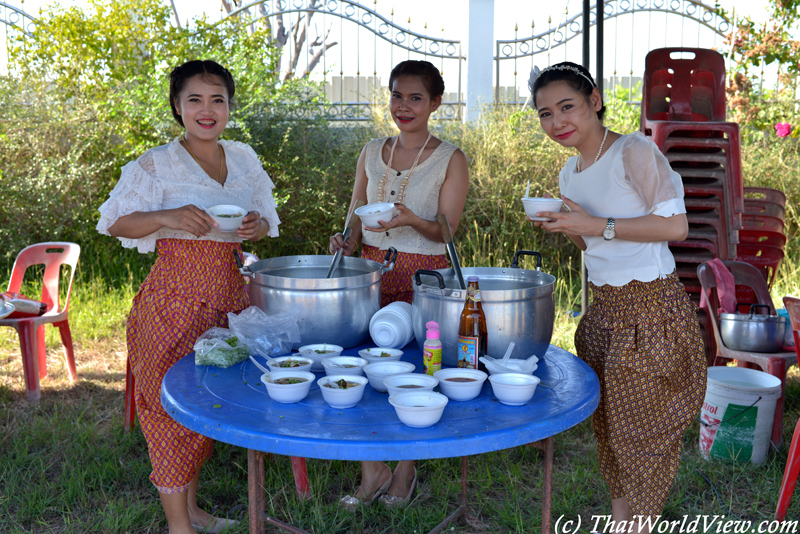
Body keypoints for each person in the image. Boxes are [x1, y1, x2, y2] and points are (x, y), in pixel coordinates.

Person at [96, 60, 280, 534]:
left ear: (229, 107)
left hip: (229, 300)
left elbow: (263, 221)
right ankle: (180, 526)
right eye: (194, 99)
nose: (206, 109)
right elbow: (115, 222)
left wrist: (255, 226)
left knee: (207, 403)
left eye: (217, 99)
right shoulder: (157, 163)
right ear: (177, 107)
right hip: (172, 302)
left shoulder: (242, 158)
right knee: (166, 409)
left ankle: (193, 509)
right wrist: (168, 215)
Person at [528, 62, 706, 532]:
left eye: (567, 107)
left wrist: (595, 223)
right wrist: (567, 226)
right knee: (610, 433)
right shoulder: (570, 173)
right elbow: (593, 246)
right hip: (605, 313)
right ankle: (624, 521)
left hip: (652, 311)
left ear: (596, 100)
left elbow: (676, 227)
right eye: (545, 113)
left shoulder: (634, 152)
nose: (557, 122)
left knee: (641, 437)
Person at [329, 59, 469, 509]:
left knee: (414, 370)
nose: (403, 106)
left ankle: (405, 471)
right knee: (364, 366)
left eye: (415, 98)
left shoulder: (451, 158)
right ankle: (373, 472)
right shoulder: (372, 151)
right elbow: (355, 211)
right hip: (371, 273)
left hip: (424, 279)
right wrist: (346, 240)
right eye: (396, 95)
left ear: (434, 103)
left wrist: (413, 219)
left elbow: (448, 232)